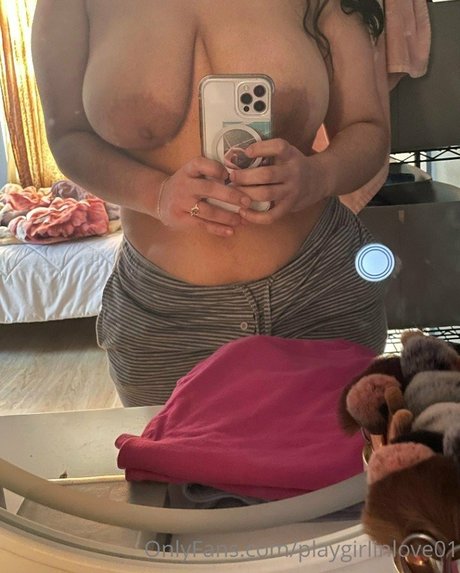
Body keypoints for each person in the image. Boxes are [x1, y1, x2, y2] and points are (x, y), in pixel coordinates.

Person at [32, 0, 389, 407]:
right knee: (169, 451)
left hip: (320, 293)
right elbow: (67, 137)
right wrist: (157, 194)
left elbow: (368, 127)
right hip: (164, 321)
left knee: (345, 449)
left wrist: (317, 176)